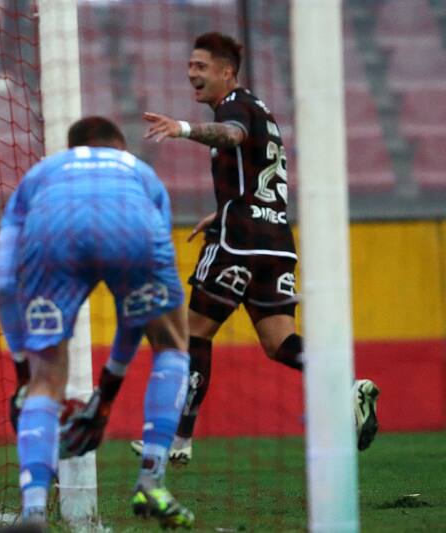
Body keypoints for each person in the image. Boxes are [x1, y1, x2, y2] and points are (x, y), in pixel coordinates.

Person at [130, 32, 380, 464]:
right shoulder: (262, 109)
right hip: (277, 240)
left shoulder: (234, 107)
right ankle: (348, 388)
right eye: (190, 66)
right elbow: (256, 169)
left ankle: (179, 440)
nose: (192, 74)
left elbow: (230, 135)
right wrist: (226, 208)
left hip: (239, 240)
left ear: (227, 73)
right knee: (277, 341)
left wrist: (183, 129)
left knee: (194, 332)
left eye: (201, 67)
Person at [0, 116, 194, 529]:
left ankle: (33, 512)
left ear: (71, 150)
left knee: (46, 377)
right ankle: (152, 479)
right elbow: (135, 314)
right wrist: (107, 393)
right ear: (119, 147)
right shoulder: (140, 173)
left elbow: (3, 282)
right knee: (172, 342)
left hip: (53, 232)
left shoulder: (41, 174)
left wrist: (21, 369)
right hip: (131, 228)